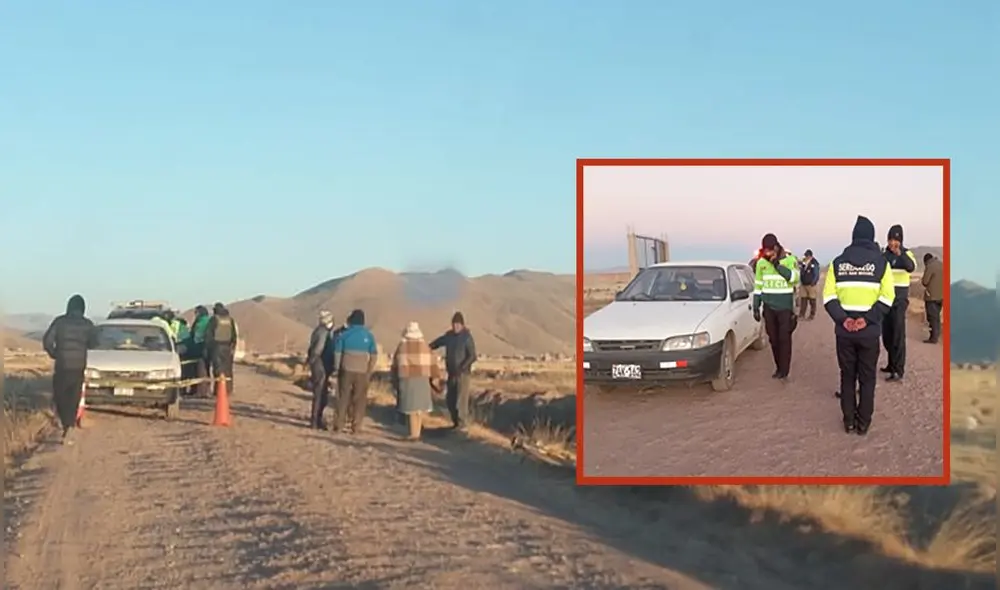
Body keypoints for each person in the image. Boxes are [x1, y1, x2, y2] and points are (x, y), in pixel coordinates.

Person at [823, 215, 896, 435]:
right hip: (869, 332)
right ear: (871, 237)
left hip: (844, 333)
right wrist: (867, 319)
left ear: (853, 237)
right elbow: (888, 297)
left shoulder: (837, 263)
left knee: (847, 376)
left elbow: (828, 297)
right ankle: (863, 423)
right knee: (867, 377)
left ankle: (849, 421)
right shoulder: (881, 264)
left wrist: (844, 319)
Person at [41, 294, 97, 445]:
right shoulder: (88, 324)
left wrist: (55, 354)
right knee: (74, 396)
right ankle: (69, 425)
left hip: (62, 365)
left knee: (60, 395)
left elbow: (47, 341)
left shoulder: (59, 322)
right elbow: (94, 343)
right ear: (83, 308)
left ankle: (65, 422)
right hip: (78, 366)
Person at [752, 234, 799, 380]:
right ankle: (778, 367)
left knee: (784, 339)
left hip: (785, 308)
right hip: (769, 307)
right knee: (773, 339)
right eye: (765, 250)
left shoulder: (790, 260)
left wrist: (777, 265)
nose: (767, 253)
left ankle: (784, 370)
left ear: (776, 248)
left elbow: (794, 278)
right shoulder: (761, 263)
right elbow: (758, 286)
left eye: (770, 250)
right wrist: (756, 305)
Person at [391, 321, 443, 441]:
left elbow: (395, 364)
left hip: (407, 379)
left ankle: (413, 434)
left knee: (411, 408)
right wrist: (435, 378)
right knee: (418, 409)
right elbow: (433, 363)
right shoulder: (425, 346)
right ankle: (416, 433)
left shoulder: (402, 346)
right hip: (422, 379)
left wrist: (394, 380)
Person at [331, 309, 378, 434]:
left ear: (351, 320)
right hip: (362, 371)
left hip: (346, 370)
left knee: (342, 398)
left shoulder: (344, 335)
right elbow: (374, 355)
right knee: (360, 399)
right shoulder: (369, 336)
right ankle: (356, 426)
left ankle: (339, 425)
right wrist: (369, 370)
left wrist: (337, 368)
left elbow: (337, 353)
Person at [880, 224, 917, 382]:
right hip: (886, 299)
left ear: (901, 241)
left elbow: (910, 267)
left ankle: (898, 370)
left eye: (895, 240)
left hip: (899, 300)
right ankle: (891, 364)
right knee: (887, 335)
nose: (892, 243)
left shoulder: (907, 254)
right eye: (890, 240)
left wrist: (900, 254)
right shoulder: (884, 256)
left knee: (897, 335)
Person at [429, 311, 478, 429]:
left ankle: (462, 425)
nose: (456, 326)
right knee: (450, 400)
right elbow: (438, 342)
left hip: (463, 374)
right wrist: (428, 347)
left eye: (458, 324)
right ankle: (455, 422)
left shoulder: (467, 337)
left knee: (461, 401)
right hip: (451, 373)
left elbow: (472, 356)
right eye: (454, 324)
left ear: (462, 325)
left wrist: (462, 367)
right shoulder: (449, 336)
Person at [306, 310, 335, 429]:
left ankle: (316, 419)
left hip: (318, 364)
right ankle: (315, 421)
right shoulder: (323, 333)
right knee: (319, 394)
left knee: (321, 394)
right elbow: (318, 349)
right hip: (320, 365)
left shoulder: (318, 331)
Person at [204, 302, 239, 396]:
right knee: (228, 370)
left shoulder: (214, 319)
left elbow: (208, 335)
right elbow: (234, 335)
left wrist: (207, 349)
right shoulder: (230, 320)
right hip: (228, 348)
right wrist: (232, 348)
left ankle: (218, 391)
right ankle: (228, 390)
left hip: (217, 347)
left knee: (218, 370)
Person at [189, 305, 212, 397]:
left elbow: (196, 336)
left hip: (199, 348)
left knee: (200, 370)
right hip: (210, 349)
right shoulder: (210, 320)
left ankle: (201, 392)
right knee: (207, 369)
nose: (195, 314)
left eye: (196, 313)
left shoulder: (199, 323)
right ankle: (207, 390)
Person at [921, 253, 944, 344]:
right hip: (942, 295)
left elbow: (925, 281)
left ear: (925, 261)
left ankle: (933, 338)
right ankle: (937, 334)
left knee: (932, 317)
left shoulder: (929, 266)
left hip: (931, 296)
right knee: (937, 316)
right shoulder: (942, 264)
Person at [798, 249, 822, 320]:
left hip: (811, 285)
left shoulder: (814, 263)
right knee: (803, 300)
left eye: (807, 256)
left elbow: (816, 273)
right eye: (805, 256)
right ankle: (802, 315)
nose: (806, 257)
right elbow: (801, 271)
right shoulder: (804, 263)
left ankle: (812, 315)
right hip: (803, 284)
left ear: (810, 256)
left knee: (812, 300)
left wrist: (813, 282)